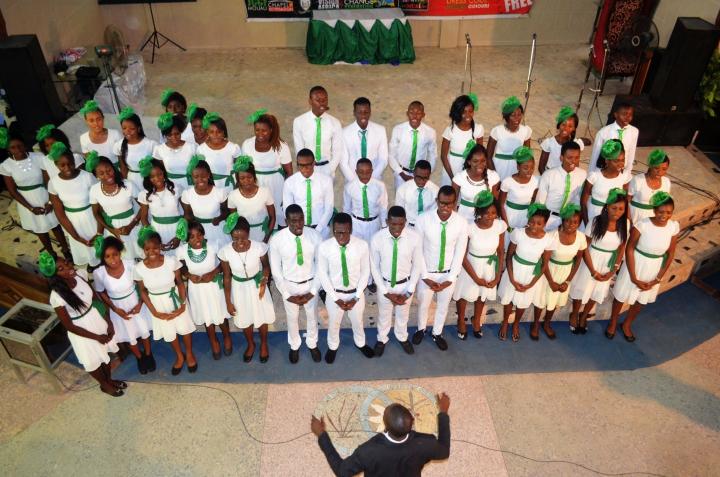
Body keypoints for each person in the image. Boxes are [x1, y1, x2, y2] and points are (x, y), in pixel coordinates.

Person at [312, 392, 451, 477]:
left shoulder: (368, 451)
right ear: (412, 422)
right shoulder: (426, 443)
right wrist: (443, 412)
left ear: (385, 424)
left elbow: (342, 472)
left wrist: (322, 435)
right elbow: (444, 451)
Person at [44, 252, 123, 397]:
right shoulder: (57, 296)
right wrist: (96, 337)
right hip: (81, 330)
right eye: (60, 269)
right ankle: (104, 385)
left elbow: (96, 299)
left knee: (103, 353)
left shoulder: (80, 275)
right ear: (54, 276)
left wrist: (108, 321)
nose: (67, 267)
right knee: (92, 360)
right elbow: (69, 326)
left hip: (95, 318)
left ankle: (110, 379)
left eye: (66, 263)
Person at [606, 192, 679, 341]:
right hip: (635, 263)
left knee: (642, 298)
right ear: (654, 210)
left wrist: (658, 278)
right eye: (660, 212)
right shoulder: (642, 225)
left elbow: (670, 254)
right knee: (621, 295)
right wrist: (633, 276)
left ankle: (627, 323)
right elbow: (630, 248)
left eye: (668, 212)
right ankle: (613, 322)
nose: (664, 215)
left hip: (654, 267)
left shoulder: (673, 227)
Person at [134, 227, 198, 375]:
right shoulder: (138, 268)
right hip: (157, 303)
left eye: (155, 247)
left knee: (184, 328)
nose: (152, 251)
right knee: (169, 331)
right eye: (147, 248)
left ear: (160, 246)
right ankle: (179, 355)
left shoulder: (171, 261)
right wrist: (154, 312)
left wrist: (182, 304)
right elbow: (142, 291)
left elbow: (180, 283)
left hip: (175, 298)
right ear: (143, 249)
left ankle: (189, 353)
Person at [413, 186, 469, 350]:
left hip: (447, 274)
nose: (445, 208)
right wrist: (425, 276)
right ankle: (421, 329)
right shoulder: (423, 219)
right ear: (437, 201)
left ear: (455, 203)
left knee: (443, 307)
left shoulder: (461, 223)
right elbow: (418, 250)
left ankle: (437, 333)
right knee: (423, 304)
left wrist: (451, 278)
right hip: (427, 273)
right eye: (442, 203)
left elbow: (460, 252)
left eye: (449, 204)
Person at [568, 188, 628, 334]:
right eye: (614, 208)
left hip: (607, 264)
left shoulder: (625, 223)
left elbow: (621, 248)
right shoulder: (596, 221)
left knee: (597, 292)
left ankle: (584, 315)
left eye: (621, 209)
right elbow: (584, 247)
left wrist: (613, 269)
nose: (617, 212)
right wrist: (592, 270)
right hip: (591, 261)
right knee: (582, 289)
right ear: (607, 207)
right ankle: (575, 313)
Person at [1, 132, 69, 259]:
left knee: (55, 225)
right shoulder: (5, 166)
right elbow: (12, 191)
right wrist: (30, 208)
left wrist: (50, 202)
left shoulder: (38, 157)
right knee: (40, 229)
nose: (18, 149)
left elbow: (48, 180)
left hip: (44, 194)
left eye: (20, 145)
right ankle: (52, 254)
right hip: (26, 200)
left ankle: (66, 250)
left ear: (25, 145)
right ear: (8, 149)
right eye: (13, 147)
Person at [268, 204, 323, 363]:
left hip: (310, 283)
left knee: (312, 316)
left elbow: (320, 266)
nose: (298, 224)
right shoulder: (277, 240)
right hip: (289, 285)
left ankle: (312, 343)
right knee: (292, 318)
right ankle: (294, 345)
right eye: (293, 221)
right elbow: (276, 270)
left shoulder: (315, 236)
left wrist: (313, 291)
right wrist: (286, 293)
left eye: (300, 220)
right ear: (286, 221)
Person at [92, 236, 154, 374]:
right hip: (118, 308)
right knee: (129, 334)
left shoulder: (130, 264)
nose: (113, 259)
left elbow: (141, 284)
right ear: (103, 258)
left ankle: (148, 354)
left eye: (115, 254)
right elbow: (101, 292)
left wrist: (140, 303)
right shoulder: (99, 273)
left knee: (144, 331)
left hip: (135, 301)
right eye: (107, 256)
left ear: (120, 253)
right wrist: (114, 309)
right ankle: (139, 357)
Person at [317, 213, 374, 363]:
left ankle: (360, 343)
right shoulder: (324, 247)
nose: (340, 236)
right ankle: (333, 346)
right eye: (337, 232)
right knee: (334, 323)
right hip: (334, 294)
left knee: (357, 321)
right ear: (332, 230)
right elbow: (323, 275)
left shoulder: (362, 246)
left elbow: (365, 272)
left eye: (344, 232)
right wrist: (336, 299)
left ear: (351, 229)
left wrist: (356, 296)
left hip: (356, 293)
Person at [370, 206, 424, 356]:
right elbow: (374, 267)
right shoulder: (377, 239)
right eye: (393, 224)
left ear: (405, 222)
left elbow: (417, 264)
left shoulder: (414, 238)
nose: (397, 228)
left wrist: (409, 290)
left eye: (400, 224)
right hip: (385, 284)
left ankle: (402, 336)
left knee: (403, 315)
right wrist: (385, 291)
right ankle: (382, 339)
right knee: (384, 315)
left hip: (405, 284)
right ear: (387, 221)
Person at [219, 214, 274, 363]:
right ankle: (251, 344)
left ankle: (263, 343)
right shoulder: (225, 252)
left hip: (257, 286)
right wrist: (228, 301)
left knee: (261, 317)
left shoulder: (259, 247)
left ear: (248, 233)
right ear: (231, 236)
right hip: (238, 288)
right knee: (244, 318)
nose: (240, 242)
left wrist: (264, 280)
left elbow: (267, 267)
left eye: (242, 238)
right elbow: (226, 277)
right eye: (235, 238)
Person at [497, 204, 556, 342]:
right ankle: (505, 322)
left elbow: (544, 264)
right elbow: (509, 256)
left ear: (545, 223)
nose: (534, 226)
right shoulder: (518, 233)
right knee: (509, 299)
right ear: (528, 219)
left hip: (531, 276)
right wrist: (511, 278)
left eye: (539, 223)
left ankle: (516, 323)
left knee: (523, 302)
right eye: (532, 221)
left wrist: (531, 284)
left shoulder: (548, 240)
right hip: (515, 270)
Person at [453, 191, 506, 340]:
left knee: (481, 296)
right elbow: (462, 255)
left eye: (494, 213)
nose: (491, 216)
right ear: (479, 212)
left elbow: (501, 251)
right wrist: (475, 277)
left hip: (489, 266)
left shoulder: (500, 226)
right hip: (470, 265)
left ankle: (476, 320)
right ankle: (461, 320)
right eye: (487, 213)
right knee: (463, 295)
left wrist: (497, 275)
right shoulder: (469, 227)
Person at [176, 220, 233, 360]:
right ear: (186, 239)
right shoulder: (182, 251)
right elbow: (181, 267)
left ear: (203, 234)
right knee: (207, 316)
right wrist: (189, 275)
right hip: (197, 289)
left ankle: (226, 336)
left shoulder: (214, 245)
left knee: (220, 314)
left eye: (199, 235)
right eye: (192, 237)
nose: (197, 239)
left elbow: (223, 265)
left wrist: (213, 273)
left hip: (214, 286)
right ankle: (213, 341)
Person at [531, 204, 586, 340]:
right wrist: (551, 281)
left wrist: (567, 281)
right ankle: (536, 324)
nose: (570, 224)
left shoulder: (581, 237)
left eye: (575, 222)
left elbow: (578, 260)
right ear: (562, 220)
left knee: (555, 300)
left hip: (565, 273)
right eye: (567, 220)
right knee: (542, 299)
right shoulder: (552, 235)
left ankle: (547, 323)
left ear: (579, 223)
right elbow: (544, 260)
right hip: (548, 271)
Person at [48, 149, 101, 268]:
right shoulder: (53, 183)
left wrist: (99, 230)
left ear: (74, 161)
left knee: (99, 243)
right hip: (72, 220)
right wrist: (75, 236)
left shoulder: (87, 176)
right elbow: (60, 214)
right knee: (84, 246)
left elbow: (99, 202)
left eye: (70, 163)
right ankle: (92, 263)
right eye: (62, 165)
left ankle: (102, 261)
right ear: (56, 165)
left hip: (91, 215)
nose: (67, 167)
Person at [241, 109, 292, 227]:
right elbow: (243, 169)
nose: (260, 133)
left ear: (271, 130)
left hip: (275, 185)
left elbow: (289, 172)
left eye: (264, 130)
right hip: (255, 184)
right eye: (257, 130)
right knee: (259, 212)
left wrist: (287, 194)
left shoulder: (281, 146)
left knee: (277, 214)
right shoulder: (247, 144)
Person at [88, 154, 143, 260]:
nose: (107, 175)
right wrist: (111, 230)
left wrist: (131, 225)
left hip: (133, 225)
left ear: (113, 168)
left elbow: (143, 206)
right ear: (96, 176)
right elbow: (96, 213)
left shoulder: (128, 184)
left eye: (109, 170)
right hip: (113, 228)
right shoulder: (94, 190)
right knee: (125, 257)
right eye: (101, 173)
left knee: (140, 252)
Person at [292, 85, 346, 177]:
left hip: (327, 168)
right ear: (310, 101)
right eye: (318, 100)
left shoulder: (335, 123)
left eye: (324, 100)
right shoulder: (299, 121)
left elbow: (337, 150)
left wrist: (330, 169)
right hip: (307, 169)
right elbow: (299, 149)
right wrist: (305, 168)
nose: (322, 103)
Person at [282, 148, 334, 238]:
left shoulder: (326, 181)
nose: (305, 168)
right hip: (300, 230)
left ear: (314, 163)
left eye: (308, 165)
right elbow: (287, 209)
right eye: (301, 165)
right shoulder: (290, 183)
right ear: (297, 165)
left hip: (321, 229)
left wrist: (319, 229)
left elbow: (329, 209)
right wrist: (298, 229)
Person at [535, 141, 586, 231]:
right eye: (569, 158)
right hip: (548, 219)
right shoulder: (549, 175)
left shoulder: (583, 174)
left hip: (568, 221)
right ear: (561, 158)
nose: (573, 161)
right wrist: (542, 223)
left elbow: (579, 200)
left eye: (577, 157)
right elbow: (540, 202)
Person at [137, 158, 184, 255]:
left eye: (159, 174)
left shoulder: (176, 189)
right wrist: (154, 239)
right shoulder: (144, 194)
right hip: (157, 230)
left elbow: (187, 214)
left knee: (179, 257)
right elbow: (144, 218)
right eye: (152, 176)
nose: (157, 178)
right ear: (147, 178)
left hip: (177, 229)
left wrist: (179, 236)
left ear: (164, 173)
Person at [181, 156, 229, 249]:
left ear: (208, 175)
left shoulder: (220, 192)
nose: (200, 179)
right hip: (198, 233)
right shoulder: (187, 194)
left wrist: (219, 218)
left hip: (217, 229)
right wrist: (182, 232)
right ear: (192, 177)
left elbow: (226, 212)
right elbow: (187, 216)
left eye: (203, 176)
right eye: (196, 177)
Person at [388, 101, 438, 189]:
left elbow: (433, 155)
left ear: (423, 115)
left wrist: (425, 175)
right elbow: (391, 155)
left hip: (420, 176)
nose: (414, 116)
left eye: (418, 113)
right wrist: (402, 174)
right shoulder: (398, 129)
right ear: (407, 114)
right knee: (400, 200)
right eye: (411, 113)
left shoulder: (430, 132)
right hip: (401, 173)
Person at [227, 156, 275, 243]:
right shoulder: (232, 196)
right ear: (238, 180)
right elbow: (233, 222)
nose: (246, 181)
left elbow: (272, 217)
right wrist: (240, 240)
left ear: (254, 176)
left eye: (249, 177)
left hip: (263, 234)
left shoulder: (265, 192)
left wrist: (266, 239)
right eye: (242, 178)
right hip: (244, 238)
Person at [581, 139, 629, 227]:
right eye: (616, 161)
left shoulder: (624, 178)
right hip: (593, 216)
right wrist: (587, 223)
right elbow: (583, 202)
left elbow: (625, 202)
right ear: (607, 160)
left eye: (622, 160)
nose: (621, 164)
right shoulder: (594, 176)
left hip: (612, 219)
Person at [440, 93, 484, 186]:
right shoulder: (450, 130)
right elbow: (443, 156)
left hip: (470, 170)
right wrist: (452, 177)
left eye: (470, 111)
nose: (467, 115)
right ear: (458, 112)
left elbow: (481, 154)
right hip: (451, 170)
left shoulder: (478, 129)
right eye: (464, 111)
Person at [341, 97, 388, 182]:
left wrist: (371, 178)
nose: (363, 115)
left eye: (366, 112)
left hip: (374, 179)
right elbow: (343, 162)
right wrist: (354, 181)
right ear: (354, 113)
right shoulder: (344, 133)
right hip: (352, 179)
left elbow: (383, 159)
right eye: (359, 112)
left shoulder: (380, 130)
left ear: (370, 112)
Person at [486, 96, 532, 181]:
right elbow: (488, 157)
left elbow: (526, 157)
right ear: (506, 116)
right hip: (499, 168)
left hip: (516, 169)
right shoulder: (497, 131)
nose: (517, 119)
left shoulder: (525, 131)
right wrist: (495, 176)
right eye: (513, 115)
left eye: (519, 114)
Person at [343, 158, 388, 245]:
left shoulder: (380, 186)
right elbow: (347, 209)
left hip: (374, 224)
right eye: (361, 172)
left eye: (368, 172)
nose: (364, 175)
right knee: (357, 250)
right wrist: (347, 227)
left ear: (372, 171)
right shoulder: (349, 187)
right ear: (356, 172)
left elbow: (383, 207)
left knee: (373, 250)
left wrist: (384, 226)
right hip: (356, 225)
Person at [589, 101, 638, 180]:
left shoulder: (634, 131)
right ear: (616, 115)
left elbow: (631, 153)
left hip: (622, 170)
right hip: (605, 170)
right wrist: (591, 175)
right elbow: (595, 156)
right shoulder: (604, 132)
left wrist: (628, 172)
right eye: (624, 114)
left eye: (630, 115)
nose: (627, 117)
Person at [451, 144, 500, 222]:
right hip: (463, 219)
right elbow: (452, 203)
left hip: (484, 220)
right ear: (469, 162)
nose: (479, 164)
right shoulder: (459, 178)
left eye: (483, 161)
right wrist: (454, 221)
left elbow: (494, 204)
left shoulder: (493, 176)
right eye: (475, 161)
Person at [113, 107, 157, 191]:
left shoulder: (151, 144)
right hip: (131, 181)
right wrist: (125, 184)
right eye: (124, 128)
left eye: (132, 128)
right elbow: (123, 168)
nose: (127, 131)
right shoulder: (119, 145)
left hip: (149, 180)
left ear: (138, 128)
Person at [196, 113, 242, 193]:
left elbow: (240, 169)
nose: (215, 135)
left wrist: (237, 185)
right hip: (210, 187)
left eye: (219, 132)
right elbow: (200, 170)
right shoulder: (201, 149)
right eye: (212, 132)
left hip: (229, 186)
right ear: (207, 132)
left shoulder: (233, 148)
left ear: (224, 132)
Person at [498, 146, 538, 232]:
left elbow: (533, 202)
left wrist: (529, 220)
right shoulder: (508, 182)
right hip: (509, 215)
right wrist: (506, 224)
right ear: (518, 167)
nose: (529, 171)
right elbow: (501, 204)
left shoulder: (536, 181)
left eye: (532, 167)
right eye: (525, 168)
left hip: (525, 217)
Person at [627, 149, 671, 224]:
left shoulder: (666, 182)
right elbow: (627, 199)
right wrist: (629, 218)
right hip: (636, 216)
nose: (660, 172)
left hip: (654, 218)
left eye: (664, 169)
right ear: (650, 166)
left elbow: (665, 204)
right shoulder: (638, 180)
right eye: (656, 168)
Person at [153, 112, 196, 188]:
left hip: (190, 186)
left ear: (181, 132)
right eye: (169, 135)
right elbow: (159, 172)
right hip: (171, 187)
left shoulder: (192, 147)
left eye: (177, 134)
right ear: (165, 135)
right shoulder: (159, 150)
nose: (174, 137)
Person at [538, 106, 584, 174]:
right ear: (559, 125)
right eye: (563, 124)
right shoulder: (549, 143)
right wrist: (547, 179)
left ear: (574, 128)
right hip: (551, 176)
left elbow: (576, 165)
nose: (566, 128)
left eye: (570, 126)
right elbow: (541, 167)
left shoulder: (577, 144)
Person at [395, 159, 439, 227]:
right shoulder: (402, 190)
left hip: (427, 226)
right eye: (419, 177)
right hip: (409, 226)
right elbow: (399, 214)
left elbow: (435, 213)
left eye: (425, 178)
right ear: (414, 173)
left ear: (429, 175)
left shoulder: (435, 190)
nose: (421, 181)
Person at [78, 100, 123, 166]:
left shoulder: (115, 134)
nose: (96, 123)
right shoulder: (83, 138)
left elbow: (123, 156)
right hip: (99, 173)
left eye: (98, 119)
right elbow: (90, 162)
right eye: (91, 120)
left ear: (103, 118)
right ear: (86, 121)